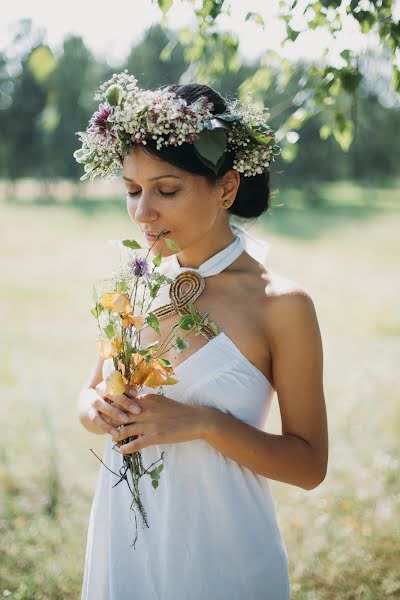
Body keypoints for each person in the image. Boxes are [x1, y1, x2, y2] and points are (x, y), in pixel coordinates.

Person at [75, 73, 328, 600]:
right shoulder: (137, 281)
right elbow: (89, 393)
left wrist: (203, 423)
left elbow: (309, 467)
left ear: (227, 187)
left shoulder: (282, 306)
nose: (143, 213)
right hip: (125, 543)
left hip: (224, 556)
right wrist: (95, 409)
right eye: (131, 191)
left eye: (166, 190)